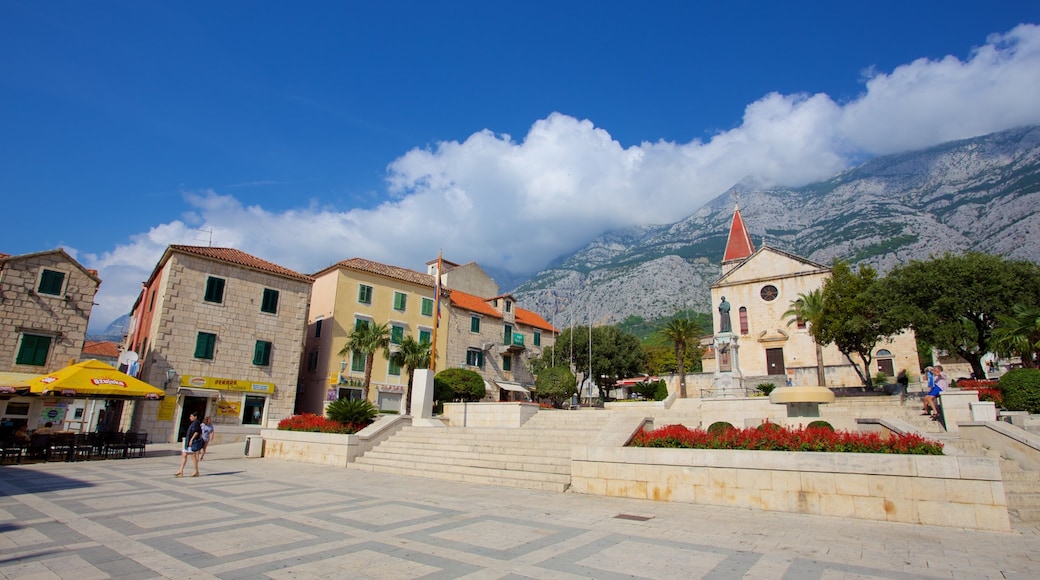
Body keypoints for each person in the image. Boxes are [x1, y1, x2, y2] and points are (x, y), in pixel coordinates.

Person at [175, 412, 202, 478]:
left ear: (195, 417)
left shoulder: (196, 423)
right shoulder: (193, 423)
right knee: (184, 455)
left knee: (193, 456)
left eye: (191, 416)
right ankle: (180, 471)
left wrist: (191, 440)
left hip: (191, 442)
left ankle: (196, 471)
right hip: (187, 441)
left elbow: (196, 432)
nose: (190, 418)